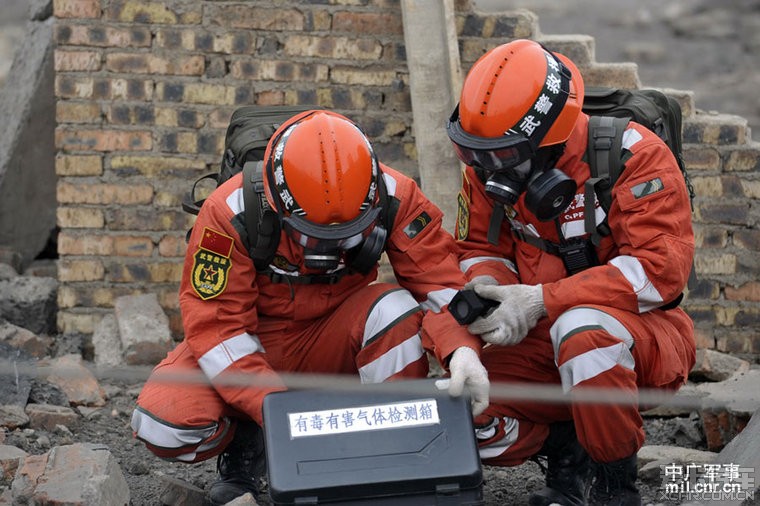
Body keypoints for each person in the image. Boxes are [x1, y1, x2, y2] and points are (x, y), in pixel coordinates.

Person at [130, 110, 490, 506]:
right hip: (253, 342)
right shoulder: (228, 212)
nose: (327, 248)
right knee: (162, 424)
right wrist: (273, 411)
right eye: (313, 236)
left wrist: (462, 352)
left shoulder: (393, 194)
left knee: (395, 309)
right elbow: (219, 331)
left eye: (346, 235)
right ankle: (251, 444)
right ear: (276, 204)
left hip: (334, 336)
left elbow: (440, 285)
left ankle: (391, 459)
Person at [446, 39, 696, 506]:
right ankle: (568, 450)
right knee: (459, 390)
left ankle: (613, 486)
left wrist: (541, 300)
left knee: (582, 333)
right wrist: (493, 291)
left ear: (548, 141)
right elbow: (479, 245)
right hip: (540, 335)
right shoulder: (487, 166)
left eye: (502, 156)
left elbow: (659, 273)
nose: (485, 169)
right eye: (474, 153)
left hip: (642, 335)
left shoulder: (632, 158)